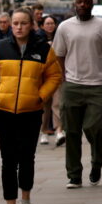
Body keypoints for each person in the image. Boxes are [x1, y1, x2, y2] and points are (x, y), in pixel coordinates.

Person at [0, 7, 62, 204]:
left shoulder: (43, 49)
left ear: (31, 25)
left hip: (31, 112)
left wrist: (41, 96)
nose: (18, 27)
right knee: (8, 161)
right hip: (5, 112)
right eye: (15, 23)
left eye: (23, 23)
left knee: (26, 158)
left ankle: (25, 201)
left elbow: (54, 76)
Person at [53, 0, 102, 188]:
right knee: (71, 132)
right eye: (79, 2)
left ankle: (97, 163)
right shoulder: (65, 27)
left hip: (97, 85)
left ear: (92, 5)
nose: (82, 5)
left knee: (94, 127)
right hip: (72, 85)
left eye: (86, 2)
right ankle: (74, 175)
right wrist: (63, 78)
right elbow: (59, 55)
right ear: (75, 5)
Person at [38, 15, 64, 146]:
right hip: (43, 76)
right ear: (42, 26)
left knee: (57, 104)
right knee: (45, 106)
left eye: (52, 23)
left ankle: (59, 131)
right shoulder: (37, 39)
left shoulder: (60, 37)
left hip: (57, 74)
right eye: (47, 23)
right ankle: (44, 132)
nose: (50, 26)